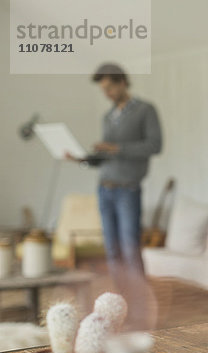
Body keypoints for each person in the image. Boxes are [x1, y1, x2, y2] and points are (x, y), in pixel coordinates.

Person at [66, 63, 162, 327]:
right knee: (112, 252)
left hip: (127, 190)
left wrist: (115, 147)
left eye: (109, 87)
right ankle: (123, 307)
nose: (106, 93)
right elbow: (105, 156)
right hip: (104, 189)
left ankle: (141, 310)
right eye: (103, 89)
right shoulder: (108, 117)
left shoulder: (145, 110)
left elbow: (155, 145)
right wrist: (82, 159)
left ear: (122, 83)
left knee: (130, 251)